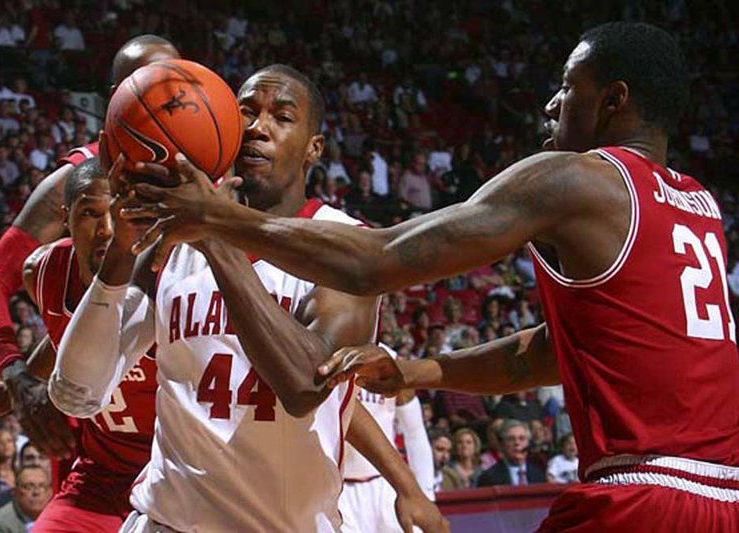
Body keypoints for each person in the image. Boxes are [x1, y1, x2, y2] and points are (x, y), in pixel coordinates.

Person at [127, 23, 739, 530]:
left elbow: (377, 260)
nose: (553, 103)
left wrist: (218, 219)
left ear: (614, 101)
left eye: (567, 87)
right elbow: (558, 354)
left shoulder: (577, 178)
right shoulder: (698, 205)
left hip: (647, 497)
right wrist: (423, 372)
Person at [51, 64, 446, 532]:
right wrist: (120, 253)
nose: (258, 127)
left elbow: (304, 385)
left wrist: (214, 233)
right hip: (165, 519)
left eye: (281, 116)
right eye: (247, 112)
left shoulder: (345, 243)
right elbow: (76, 393)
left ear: (313, 148)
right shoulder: (170, 245)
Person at [0, 33, 180, 463]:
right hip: (106, 441)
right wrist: (18, 380)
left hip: (190, 437)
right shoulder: (81, 180)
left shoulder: (213, 177)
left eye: (179, 84)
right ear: (121, 98)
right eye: (155, 85)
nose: (173, 97)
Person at [0, 159, 158, 532]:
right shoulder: (44, 272)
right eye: (90, 214)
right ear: (66, 218)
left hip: (169, 471)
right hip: (100, 475)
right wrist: (18, 382)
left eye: (118, 213)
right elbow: (64, 334)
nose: (107, 230)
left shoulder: (165, 274)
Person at [340, 343, 434, 532]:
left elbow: (414, 431)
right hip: (339, 488)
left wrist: (426, 494)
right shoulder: (323, 353)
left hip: (387, 483)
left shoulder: (391, 361)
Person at [0, 465, 52, 533]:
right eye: (28, 487)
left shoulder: (57, 519)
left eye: (42, 486)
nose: (36, 492)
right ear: (15, 492)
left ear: (50, 493)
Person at [476, 419, 544, 487]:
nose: (517, 443)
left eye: (522, 438)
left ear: (528, 443)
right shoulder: (488, 478)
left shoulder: (539, 476)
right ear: (502, 445)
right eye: (511, 439)